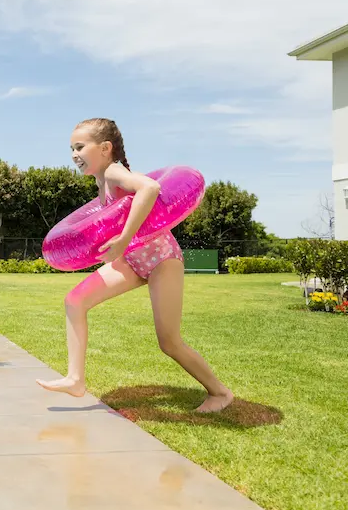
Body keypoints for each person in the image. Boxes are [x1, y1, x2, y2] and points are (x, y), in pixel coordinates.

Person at [36, 118, 234, 413]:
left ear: (105, 148)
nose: (74, 154)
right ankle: (76, 379)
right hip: (130, 261)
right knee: (75, 301)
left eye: (80, 147)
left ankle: (220, 393)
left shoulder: (114, 172)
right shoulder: (101, 181)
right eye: (71, 149)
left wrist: (124, 238)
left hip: (161, 260)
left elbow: (150, 188)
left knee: (169, 342)